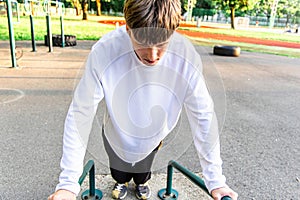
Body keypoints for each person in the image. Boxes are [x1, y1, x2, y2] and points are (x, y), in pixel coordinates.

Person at [48, 0, 238, 199]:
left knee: (142, 173)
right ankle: (120, 181)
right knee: (119, 172)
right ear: (128, 29)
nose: (153, 55)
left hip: (153, 135)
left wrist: (216, 180)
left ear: (174, 31)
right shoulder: (105, 50)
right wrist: (68, 184)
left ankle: (141, 184)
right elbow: (81, 112)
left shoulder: (186, 58)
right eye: (143, 43)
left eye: (162, 43)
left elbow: (203, 116)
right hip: (116, 134)